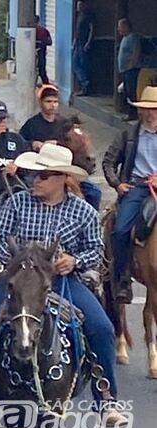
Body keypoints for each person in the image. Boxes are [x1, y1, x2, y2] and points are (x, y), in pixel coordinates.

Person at [0, 144, 129, 428]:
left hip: (63, 282)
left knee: (102, 327)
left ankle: (107, 400)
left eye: (43, 176)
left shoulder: (83, 211)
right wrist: (19, 259)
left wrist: (73, 260)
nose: (36, 180)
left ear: (62, 178)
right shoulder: (17, 203)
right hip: (19, 280)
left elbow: (95, 250)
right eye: (35, 174)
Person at [103, 86, 157, 304]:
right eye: (148, 108)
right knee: (122, 228)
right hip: (138, 187)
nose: (152, 112)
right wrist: (117, 184)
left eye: (155, 108)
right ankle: (123, 278)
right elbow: (108, 162)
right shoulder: (128, 135)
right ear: (140, 111)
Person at [19, 84, 65, 151]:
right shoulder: (31, 124)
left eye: (55, 102)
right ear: (40, 102)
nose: (53, 105)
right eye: (48, 101)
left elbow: (74, 144)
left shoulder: (64, 124)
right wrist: (32, 144)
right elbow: (19, 142)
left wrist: (58, 143)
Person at [117, 18, 142, 121]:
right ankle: (129, 112)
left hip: (131, 70)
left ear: (126, 26)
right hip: (125, 70)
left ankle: (133, 113)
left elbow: (136, 52)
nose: (119, 29)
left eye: (120, 27)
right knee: (126, 91)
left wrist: (131, 65)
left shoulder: (133, 38)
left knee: (131, 92)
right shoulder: (125, 38)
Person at [73, 1, 94, 96]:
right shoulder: (78, 16)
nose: (79, 7)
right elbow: (77, 30)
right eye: (78, 5)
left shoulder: (88, 16)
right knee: (75, 63)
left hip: (83, 43)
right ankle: (84, 81)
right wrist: (74, 40)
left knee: (83, 64)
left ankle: (85, 85)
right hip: (78, 43)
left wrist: (88, 42)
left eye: (80, 5)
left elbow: (91, 30)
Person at [35, 15, 52, 85]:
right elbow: (49, 42)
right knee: (42, 70)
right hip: (40, 53)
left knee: (41, 70)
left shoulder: (42, 30)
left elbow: (49, 42)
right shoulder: (43, 30)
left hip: (40, 53)